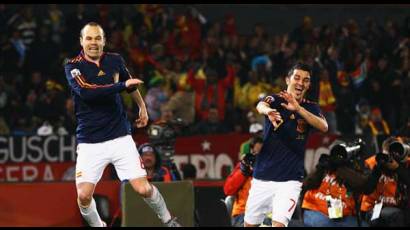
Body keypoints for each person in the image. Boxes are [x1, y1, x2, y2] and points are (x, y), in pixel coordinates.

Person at [64, 22, 180, 227]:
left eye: (98, 38)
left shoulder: (115, 60)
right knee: (83, 195)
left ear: (104, 41)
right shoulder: (73, 66)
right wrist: (121, 85)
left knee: (143, 189)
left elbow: (130, 84)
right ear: (81, 41)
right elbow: (87, 92)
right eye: (89, 38)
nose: (93, 42)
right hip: (90, 142)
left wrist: (142, 107)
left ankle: (169, 221)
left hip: (120, 137)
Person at [244, 62, 328, 227]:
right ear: (288, 79)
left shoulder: (311, 107)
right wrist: (268, 112)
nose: (300, 83)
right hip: (263, 176)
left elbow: (324, 126)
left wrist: (298, 109)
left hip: (290, 180)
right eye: (296, 78)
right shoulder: (276, 99)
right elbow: (261, 104)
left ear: (309, 85)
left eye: (305, 80)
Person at [360, 136, 410, 227]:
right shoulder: (374, 163)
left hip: (400, 209)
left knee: (398, 215)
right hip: (374, 208)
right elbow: (367, 189)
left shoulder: (406, 164)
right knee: (394, 215)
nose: (389, 159)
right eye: (386, 155)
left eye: (392, 156)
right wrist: (377, 170)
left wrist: (397, 168)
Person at [224, 136, 263, 227]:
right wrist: (244, 172)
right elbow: (228, 190)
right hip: (243, 213)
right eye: (255, 152)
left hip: (267, 214)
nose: (258, 156)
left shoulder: (272, 168)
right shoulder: (242, 167)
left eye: (261, 153)